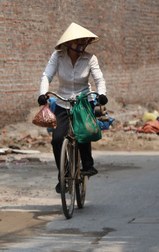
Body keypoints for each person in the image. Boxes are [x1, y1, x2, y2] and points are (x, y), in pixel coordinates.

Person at [37, 22, 108, 193]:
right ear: (68, 43)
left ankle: (88, 165)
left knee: (83, 132)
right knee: (57, 139)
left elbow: (99, 79)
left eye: (84, 42)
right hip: (62, 102)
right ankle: (63, 175)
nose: (82, 46)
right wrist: (43, 93)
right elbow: (47, 75)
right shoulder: (58, 57)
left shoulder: (90, 58)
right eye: (78, 43)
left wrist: (102, 94)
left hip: (83, 102)